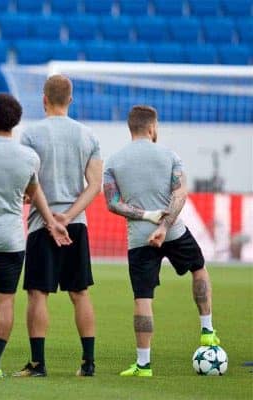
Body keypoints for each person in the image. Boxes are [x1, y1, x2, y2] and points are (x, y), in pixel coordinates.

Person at [104, 105, 220, 377]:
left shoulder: (114, 161)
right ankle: (206, 330)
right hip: (174, 229)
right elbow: (180, 194)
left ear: (130, 128)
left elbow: (111, 203)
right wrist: (165, 226)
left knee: (142, 297)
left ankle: (143, 365)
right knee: (198, 267)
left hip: (139, 237)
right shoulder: (170, 156)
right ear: (152, 128)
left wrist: (148, 217)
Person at [0, 93, 72, 378]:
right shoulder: (28, 157)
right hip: (10, 238)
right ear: (16, 121)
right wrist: (51, 222)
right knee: (5, 300)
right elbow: (33, 193)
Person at [14, 75, 102, 378]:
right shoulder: (88, 135)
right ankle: (88, 363)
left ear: (43, 99)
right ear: (71, 100)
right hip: (75, 225)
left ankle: (38, 364)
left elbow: (29, 183)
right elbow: (95, 186)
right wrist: (69, 216)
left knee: (38, 294)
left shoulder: (30, 135)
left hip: (42, 223)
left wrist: (52, 220)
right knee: (80, 293)